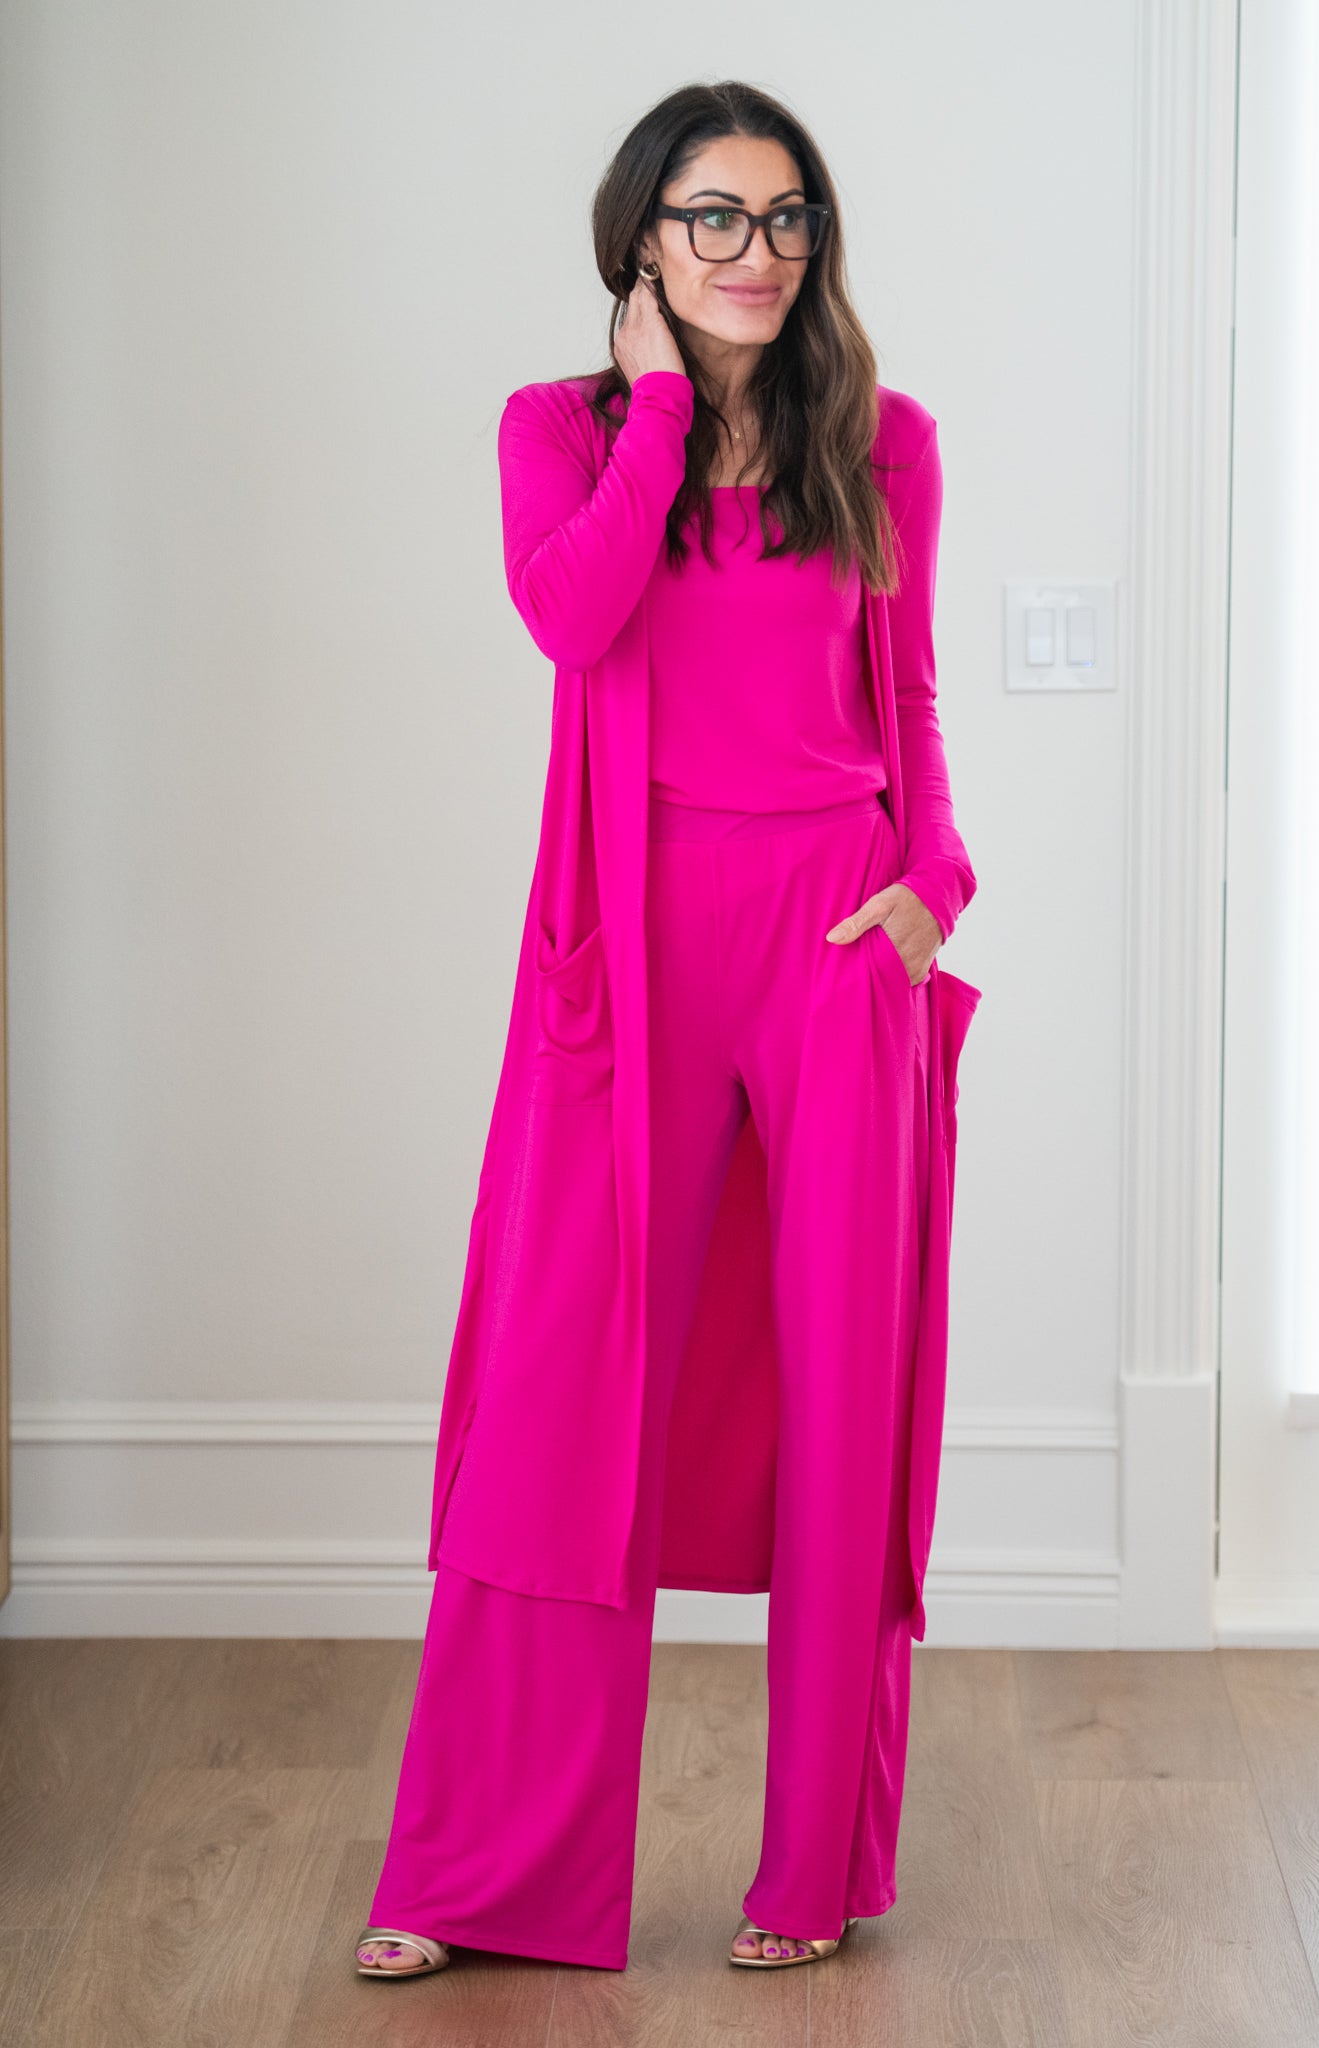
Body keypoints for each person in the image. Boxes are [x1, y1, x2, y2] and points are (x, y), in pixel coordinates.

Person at [355, 78, 979, 1983]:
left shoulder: (880, 442)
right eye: (712, 217)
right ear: (640, 237)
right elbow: (570, 617)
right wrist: (650, 412)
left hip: (836, 936)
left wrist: (933, 882)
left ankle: (807, 1877)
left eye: (785, 219)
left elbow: (907, 697)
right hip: (627, 950)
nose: (754, 253)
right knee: (559, 1400)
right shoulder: (558, 430)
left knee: (841, 1390)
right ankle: (477, 1878)